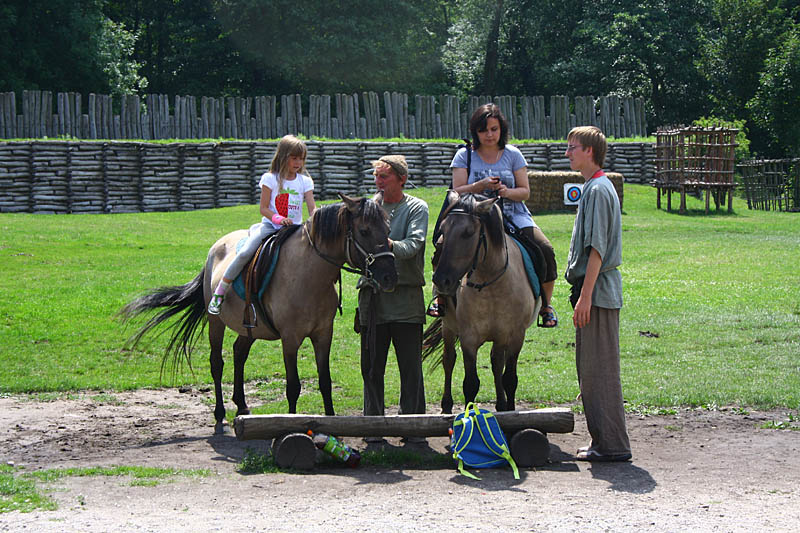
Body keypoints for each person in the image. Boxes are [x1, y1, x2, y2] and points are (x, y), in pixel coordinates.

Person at [430, 103, 558, 327]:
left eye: (494, 129)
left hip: (513, 215)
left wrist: (507, 192)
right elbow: (455, 191)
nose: (489, 135)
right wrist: (478, 186)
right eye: (483, 130)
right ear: (475, 132)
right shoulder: (464, 155)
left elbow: (525, 191)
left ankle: (546, 306)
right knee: (442, 245)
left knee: (545, 249)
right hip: (473, 218)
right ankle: (440, 298)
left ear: (501, 130)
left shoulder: (513, 154)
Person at [564, 125, 632, 462]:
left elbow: (597, 250)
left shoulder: (598, 190)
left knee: (600, 371)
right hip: (594, 291)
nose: (568, 153)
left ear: (589, 150)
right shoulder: (592, 187)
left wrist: (586, 296)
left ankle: (613, 445)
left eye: (573, 147)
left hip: (599, 293)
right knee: (590, 371)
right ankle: (602, 442)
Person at [358, 155, 428, 443]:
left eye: (384, 177)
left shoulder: (416, 208)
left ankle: (413, 427)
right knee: (372, 366)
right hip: (372, 299)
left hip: (406, 298)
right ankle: (373, 426)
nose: (378, 182)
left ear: (401, 178)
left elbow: (414, 245)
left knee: (410, 367)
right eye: (376, 177)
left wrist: (384, 244)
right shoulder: (368, 208)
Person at [208, 135, 316, 315]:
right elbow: (263, 208)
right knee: (244, 253)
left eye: (301, 158)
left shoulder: (305, 182)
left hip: (295, 229)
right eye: (294, 158)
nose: (298, 162)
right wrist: (279, 219)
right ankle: (220, 291)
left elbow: (312, 209)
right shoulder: (270, 179)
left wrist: (317, 220)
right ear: (283, 156)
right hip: (270, 227)